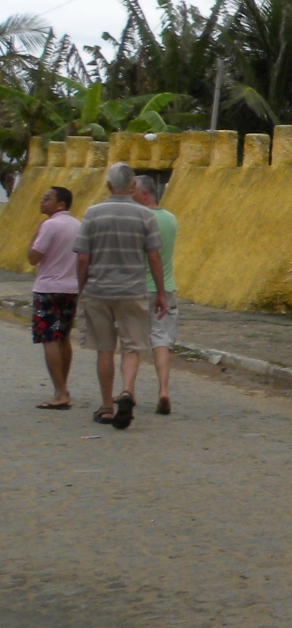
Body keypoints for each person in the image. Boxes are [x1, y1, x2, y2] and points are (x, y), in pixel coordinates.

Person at [73, 162, 167, 430]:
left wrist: (80, 289)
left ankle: (106, 407)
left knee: (104, 348)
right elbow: (153, 256)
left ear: (108, 185)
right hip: (132, 290)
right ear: (133, 185)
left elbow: (82, 258)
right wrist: (160, 293)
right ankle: (126, 390)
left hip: (98, 290)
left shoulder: (92, 214)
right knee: (132, 347)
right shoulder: (145, 216)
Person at [27, 186, 81, 409]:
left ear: (60, 204)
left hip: (48, 287)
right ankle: (62, 386)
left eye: (47, 198)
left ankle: (59, 392)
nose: (42, 200)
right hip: (71, 287)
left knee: (49, 338)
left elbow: (33, 257)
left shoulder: (49, 225)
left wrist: (36, 233)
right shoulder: (77, 225)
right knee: (64, 337)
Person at [131, 175, 178, 414]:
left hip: (138, 287)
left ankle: (129, 390)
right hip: (165, 287)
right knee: (161, 341)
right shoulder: (171, 219)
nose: (129, 194)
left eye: (133, 190)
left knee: (133, 342)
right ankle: (163, 390)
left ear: (145, 193)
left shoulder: (138, 219)